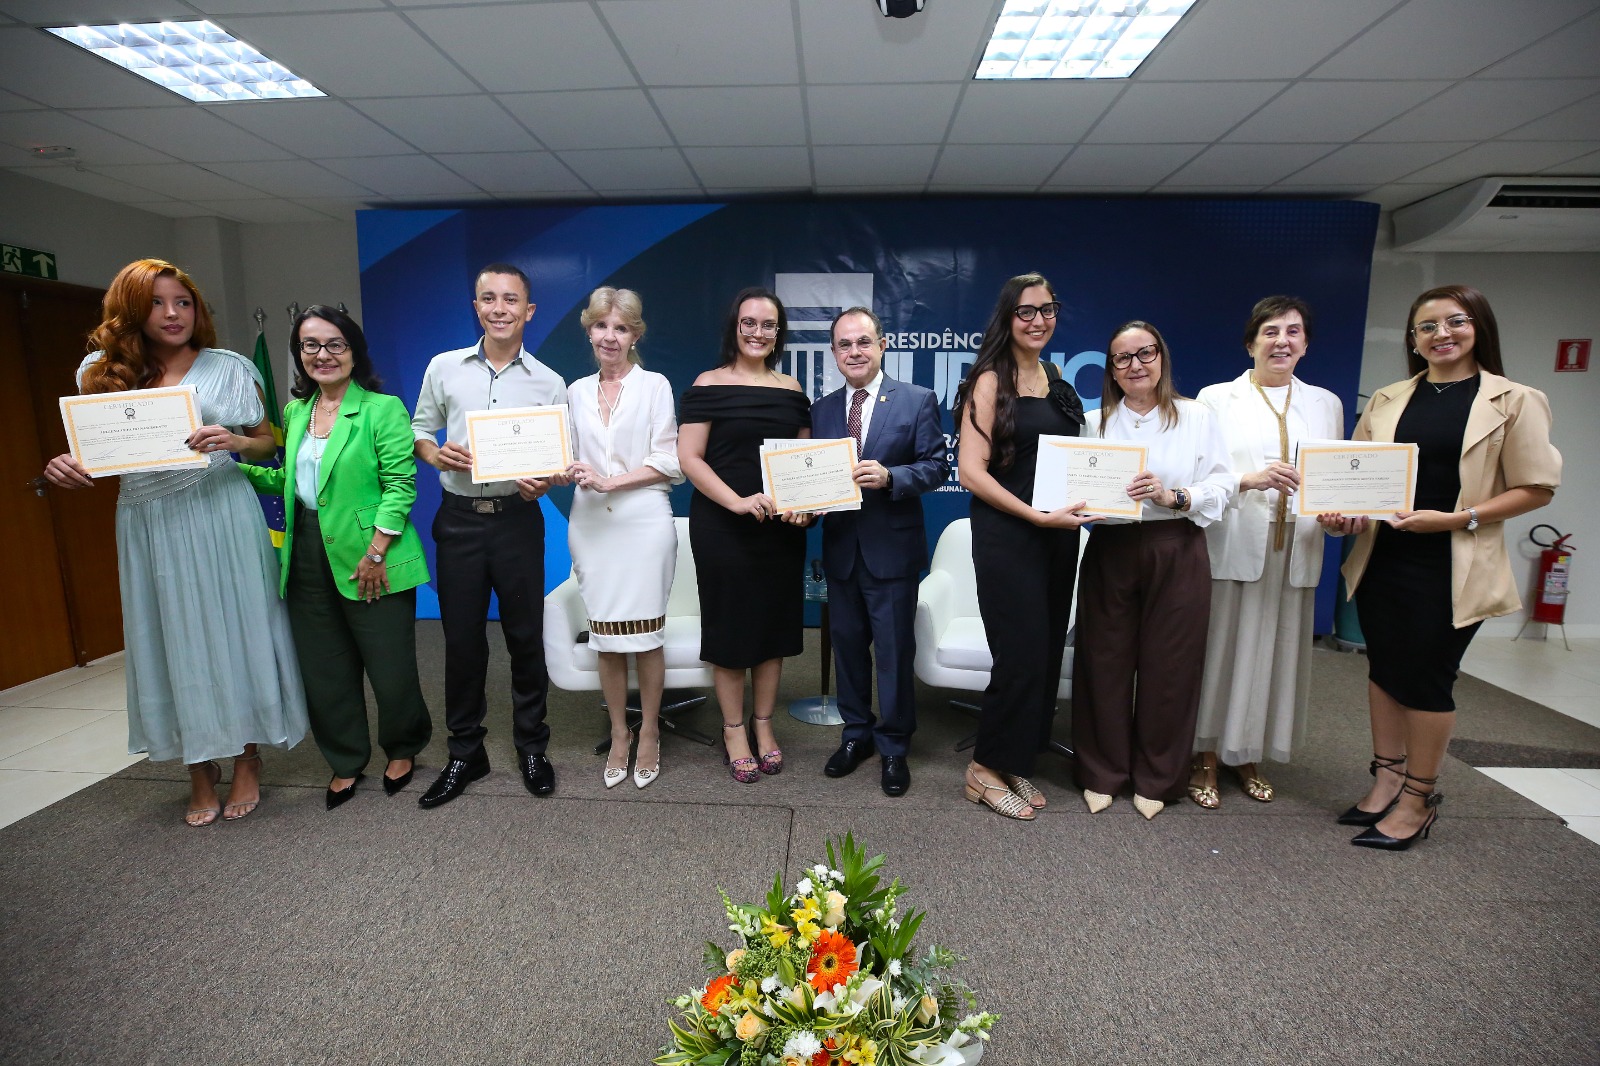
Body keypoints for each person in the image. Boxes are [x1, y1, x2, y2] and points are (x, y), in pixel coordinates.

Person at [42, 258, 306, 826]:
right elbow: (91, 453)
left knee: (237, 629)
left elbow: (266, 446)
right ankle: (196, 766)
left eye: (182, 302)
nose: (172, 314)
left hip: (221, 510)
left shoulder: (229, 367)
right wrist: (65, 465)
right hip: (146, 519)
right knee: (167, 635)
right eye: (158, 304)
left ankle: (246, 758)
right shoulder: (99, 370)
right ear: (131, 311)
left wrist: (235, 439)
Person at [1320, 284, 1560, 850]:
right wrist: (1339, 516)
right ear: (1413, 338)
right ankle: (1385, 781)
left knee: (1426, 680)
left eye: (1455, 322)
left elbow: (1537, 487)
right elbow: (1355, 479)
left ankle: (1418, 800)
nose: (1441, 334)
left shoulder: (1516, 400)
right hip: (1383, 558)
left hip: (1452, 562)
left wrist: (1458, 518)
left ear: (1479, 327)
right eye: (1427, 326)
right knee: (1384, 670)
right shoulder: (1388, 398)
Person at [240, 306, 432, 810]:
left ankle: (403, 747)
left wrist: (376, 551)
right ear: (299, 355)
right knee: (324, 668)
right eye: (310, 346)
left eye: (334, 344)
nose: (322, 355)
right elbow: (290, 484)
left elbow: (400, 485)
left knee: (389, 667)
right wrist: (232, 465)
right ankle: (346, 760)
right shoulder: (296, 411)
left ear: (353, 351)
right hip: (305, 550)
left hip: (373, 552)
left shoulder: (382, 408)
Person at [411, 263, 567, 806]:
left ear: (529, 311)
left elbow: (557, 461)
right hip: (458, 519)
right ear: (475, 307)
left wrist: (542, 483)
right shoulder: (444, 368)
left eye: (510, 299)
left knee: (526, 637)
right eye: (487, 299)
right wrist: (435, 452)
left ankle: (531, 746)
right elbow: (417, 430)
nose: (498, 308)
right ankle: (465, 753)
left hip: (517, 522)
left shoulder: (549, 382)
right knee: (462, 641)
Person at [1072, 321, 1234, 820]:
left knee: (1172, 665)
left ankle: (1159, 777)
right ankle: (1101, 772)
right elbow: (1077, 486)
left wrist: (1175, 496)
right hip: (1111, 548)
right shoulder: (1096, 422)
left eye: (1145, 353)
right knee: (1104, 660)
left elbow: (1224, 485)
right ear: (1112, 370)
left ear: (1161, 357)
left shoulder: (1196, 417)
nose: (1135, 365)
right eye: (1122, 358)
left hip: (1177, 545)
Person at [1189, 297, 1343, 809]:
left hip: (1296, 548)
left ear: (1306, 344)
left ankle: (1247, 750)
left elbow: (1335, 482)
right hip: (1234, 543)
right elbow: (1199, 476)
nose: (1282, 341)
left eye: (1294, 332)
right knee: (1222, 651)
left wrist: (1340, 516)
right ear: (1250, 342)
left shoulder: (1326, 403)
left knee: (1276, 653)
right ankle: (1205, 752)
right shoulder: (1215, 398)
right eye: (1271, 331)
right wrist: (1247, 479)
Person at [952, 273, 1092, 821]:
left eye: (1048, 309)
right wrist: (1035, 514)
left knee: (1044, 654)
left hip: (1057, 536)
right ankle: (983, 770)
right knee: (1019, 654)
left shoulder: (1055, 377)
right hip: (1009, 536)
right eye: (1027, 312)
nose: (1039, 321)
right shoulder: (989, 381)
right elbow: (970, 472)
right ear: (1008, 318)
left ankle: (1014, 761)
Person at [811, 306, 948, 797]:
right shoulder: (822, 410)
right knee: (848, 650)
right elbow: (812, 478)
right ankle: (856, 736)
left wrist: (893, 477)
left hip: (891, 553)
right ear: (834, 352)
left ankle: (894, 746)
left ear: (882, 344)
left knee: (893, 653)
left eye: (863, 342)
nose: (855, 351)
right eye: (844, 344)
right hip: (842, 551)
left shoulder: (916, 400)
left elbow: (936, 466)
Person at [677, 286, 810, 784]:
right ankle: (734, 730)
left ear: (779, 333)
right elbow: (690, 457)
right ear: (734, 327)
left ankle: (764, 725)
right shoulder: (708, 383)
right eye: (749, 323)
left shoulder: (793, 390)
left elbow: (800, 465)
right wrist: (735, 501)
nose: (758, 332)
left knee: (772, 631)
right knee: (731, 630)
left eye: (768, 325)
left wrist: (802, 509)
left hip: (778, 532)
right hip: (721, 525)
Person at [563, 287, 682, 789]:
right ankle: (619, 733)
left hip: (643, 522)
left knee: (647, 637)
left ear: (635, 335)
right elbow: (562, 454)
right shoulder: (572, 391)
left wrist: (611, 480)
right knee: (607, 639)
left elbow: (669, 462)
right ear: (589, 330)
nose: (610, 336)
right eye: (602, 326)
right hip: (591, 524)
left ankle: (650, 731)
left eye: (621, 328)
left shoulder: (655, 386)